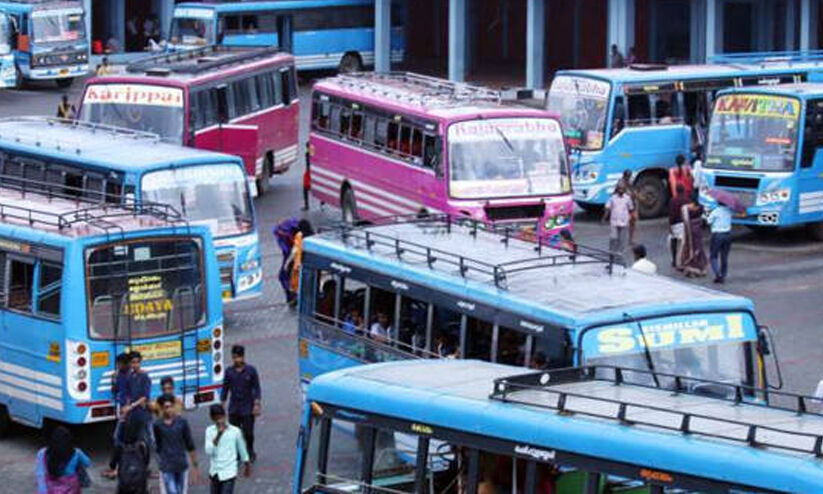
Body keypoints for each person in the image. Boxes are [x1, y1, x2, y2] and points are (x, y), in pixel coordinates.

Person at [221, 345, 261, 464]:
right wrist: (222, 403)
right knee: (235, 433)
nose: (236, 360)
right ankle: (237, 454)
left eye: (238, 357)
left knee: (248, 432)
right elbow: (225, 388)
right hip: (234, 408)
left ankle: (250, 450)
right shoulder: (229, 372)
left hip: (247, 407)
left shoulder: (251, 371)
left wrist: (256, 404)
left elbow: (256, 388)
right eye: (234, 357)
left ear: (243, 357)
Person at [154, 394, 199, 494]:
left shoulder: (182, 423)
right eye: (166, 407)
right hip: (166, 466)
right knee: (172, 491)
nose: (169, 410)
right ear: (162, 409)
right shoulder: (157, 425)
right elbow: (158, 445)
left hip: (181, 464)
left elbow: (189, 443)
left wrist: (195, 466)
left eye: (171, 406)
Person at [205, 404, 251, 494]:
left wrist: (247, 464)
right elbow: (209, 451)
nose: (219, 421)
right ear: (212, 418)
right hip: (215, 471)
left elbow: (242, 449)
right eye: (216, 419)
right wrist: (218, 435)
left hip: (229, 472)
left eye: (221, 417)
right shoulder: (209, 431)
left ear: (225, 416)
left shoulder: (235, 431)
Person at [36, 426, 92, 493]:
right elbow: (88, 463)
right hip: (72, 488)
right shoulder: (77, 452)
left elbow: (40, 474)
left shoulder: (42, 453)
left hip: (52, 487)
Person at [107, 415, 151, 494]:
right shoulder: (142, 445)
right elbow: (146, 461)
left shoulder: (120, 447)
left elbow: (112, 464)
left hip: (125, 482)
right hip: (140, 481)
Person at [122, 352, 154, 450]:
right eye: (133, 362)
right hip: (134, 412)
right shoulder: (129, 377)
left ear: (140, 362)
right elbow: (128, 394)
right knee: (138, 436)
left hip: (143, 411)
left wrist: (131, 406)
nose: (135, 365)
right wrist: (126, 407)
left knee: (150, 437)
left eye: (137, 362)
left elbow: (145, 396)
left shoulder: (145, 377)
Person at [602, 184, 634, 265]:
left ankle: (620, 258)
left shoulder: (627, 198)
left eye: (622, 189)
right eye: (619, 189)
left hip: (624, 222)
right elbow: (608, 208)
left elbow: (631, 209)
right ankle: (611, 255)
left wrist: (630, 218)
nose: (621, 190)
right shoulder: (612, 198)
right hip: (614, 222)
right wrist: (605, 217)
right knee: (613, 239)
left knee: (622, 241)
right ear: (617, 189)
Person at [286, 219, 314, 306]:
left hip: (298, 266)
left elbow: (295, 251)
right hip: (310, 265)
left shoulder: (299, 236)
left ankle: (296, 300)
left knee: (297, 284)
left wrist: (289, 263)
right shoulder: (313, 237)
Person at [274, 218, 299, 303]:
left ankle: (292, 295)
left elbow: (289, 252)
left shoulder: (293, 239)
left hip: (294, 259)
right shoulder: (296, 236)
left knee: (285, 276)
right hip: (293, 258)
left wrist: (286, 264)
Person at [680, 199, 708, 277]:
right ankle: (700, 268)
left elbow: (683, 218)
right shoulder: (701, 209)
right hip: (698, 231)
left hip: (691, 231)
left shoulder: (687, 209)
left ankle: (692, 267)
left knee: (692, 248)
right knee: (698, 248)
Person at [707, 202, 733, 283]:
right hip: (728, 235)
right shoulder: (729, 210)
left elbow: (709, 221)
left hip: (717, 235)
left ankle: (718, 274)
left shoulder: (716, 211)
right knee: (724, 256)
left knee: (713, 256)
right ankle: (723, 274)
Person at [668, 184, 688, 269]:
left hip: (674, 224)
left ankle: (674, 260)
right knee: (683, 244)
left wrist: (669, 226)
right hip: (683, 224)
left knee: (673, 242)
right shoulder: (687, 200)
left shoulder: (673, 200)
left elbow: (671, 215)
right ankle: (682, 262)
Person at [617, 169, 638, 244]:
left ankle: (631, 239)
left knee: (633, 222)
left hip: (632, 205)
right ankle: (620, 238)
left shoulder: (630, 182)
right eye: (627, 177)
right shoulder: (620, 183)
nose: (628, 178)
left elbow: (634, 191)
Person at [302, 145, 311, 211]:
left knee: (305, 189)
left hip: (309, 173)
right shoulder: (309, 153)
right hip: (309, 172)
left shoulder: (309, 153)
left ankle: (306, 205)